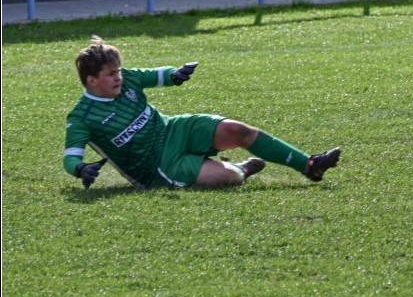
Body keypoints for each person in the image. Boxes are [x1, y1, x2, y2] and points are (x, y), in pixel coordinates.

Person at [63, 36, 342, 190]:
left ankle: (310, 165)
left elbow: (158, 75)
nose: (119, 78)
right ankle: (242, 169)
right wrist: (81, 169)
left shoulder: (128, 79)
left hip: (173, 129)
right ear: (91, 81)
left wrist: (177, 73)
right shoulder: (81, 117)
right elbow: (71, 156)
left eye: (120, 71)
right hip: (158, 167)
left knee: (237, 130)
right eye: (111, 74)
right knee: (229, 178)